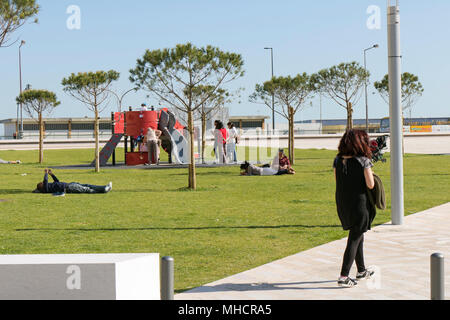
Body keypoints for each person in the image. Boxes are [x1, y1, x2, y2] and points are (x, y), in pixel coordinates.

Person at [333, 129, 376, 288]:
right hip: (359, 203)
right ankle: (344, 276)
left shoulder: (337, 160)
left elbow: (337, 181)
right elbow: (370, 184)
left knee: (358, 234)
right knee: (355, 237)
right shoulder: (363, 161)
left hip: (343, 203)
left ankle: (361, 270)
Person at [34, 169, 112, 194]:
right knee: (86, 189)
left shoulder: (49, 186)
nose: (43, 182)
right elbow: (45, 180)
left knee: (88, 185)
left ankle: (104, 187)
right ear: (42, 186)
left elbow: (57, 181)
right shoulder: (47, 189)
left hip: (70, 184)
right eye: (43, 183)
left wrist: (51, 174)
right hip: (69, 188)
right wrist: (46, 173)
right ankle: (104, 190)